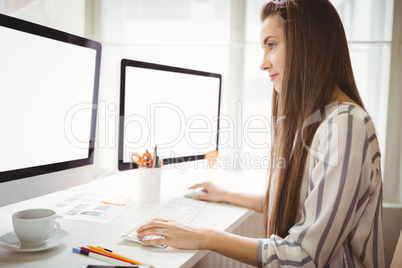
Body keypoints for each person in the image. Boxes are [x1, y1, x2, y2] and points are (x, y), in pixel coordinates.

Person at [137, 0, 385, 267]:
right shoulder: (320, 121)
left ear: (308, 46)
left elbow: (305, 257)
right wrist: (225, 194)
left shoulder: (346, 127)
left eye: (272, 45)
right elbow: (301, 205)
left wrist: (202, 237)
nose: (263, 63)